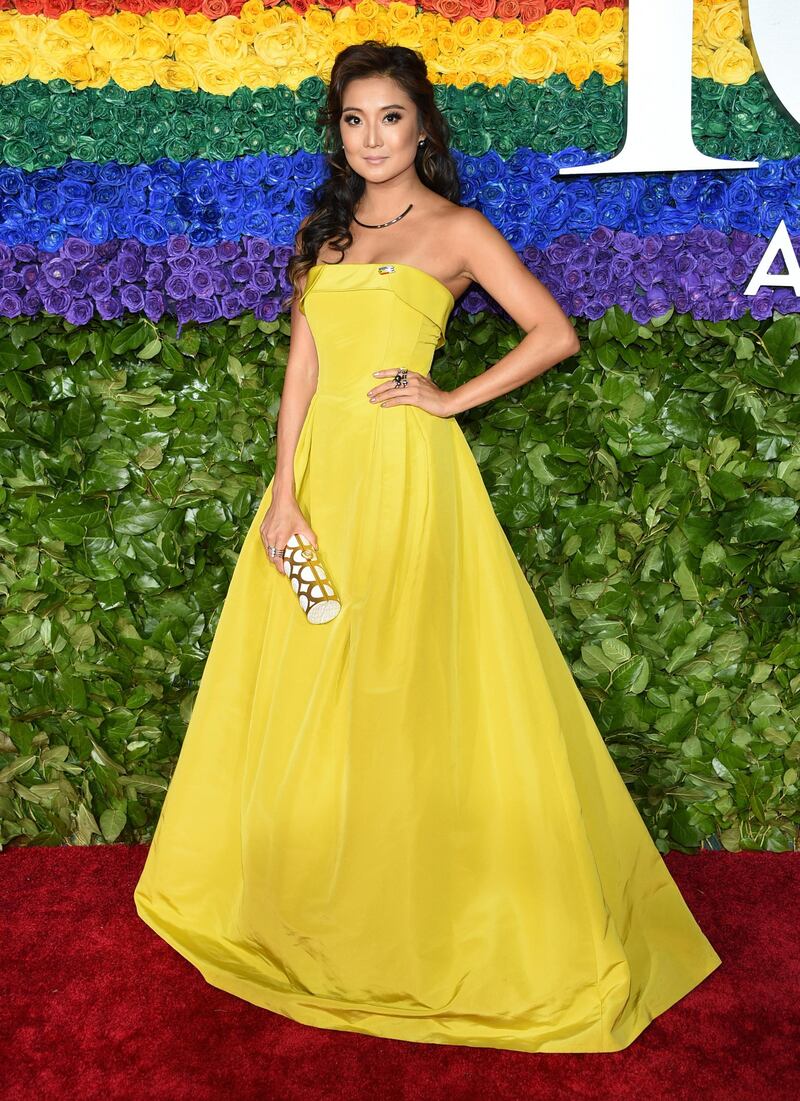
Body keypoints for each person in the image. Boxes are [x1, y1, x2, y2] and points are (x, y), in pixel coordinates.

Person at [134, 41, 722, 1053]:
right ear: (339, 130)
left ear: (422, 126)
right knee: (313, 686)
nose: (371, 139)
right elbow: (301, 374)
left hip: (408, 482)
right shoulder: (322, 235)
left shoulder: (455, 231)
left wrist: (444, 395)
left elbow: (550, 332)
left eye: (390, 119)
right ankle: (314, 899)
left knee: (398, 680)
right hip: (319, 485)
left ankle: (425, 912)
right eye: (354, 120)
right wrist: (282, 495)